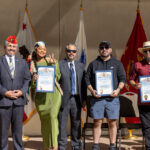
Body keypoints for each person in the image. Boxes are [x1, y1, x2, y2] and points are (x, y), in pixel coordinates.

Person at [85, 41, 126, 150]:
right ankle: (95, 145)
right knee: (97, 122)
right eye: (102, 48)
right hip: (97, 99)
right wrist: (92, 90)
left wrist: (118, 90)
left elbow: (123, 79)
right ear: (99, 50)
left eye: (106, 47)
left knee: (112, 122)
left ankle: (112, 145)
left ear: (110, 49)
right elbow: (87, 79)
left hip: (112, 99)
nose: (104, 49)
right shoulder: (93, 64)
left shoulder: (117, 63)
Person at [0, 35, 31, 150]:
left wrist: (22, 92)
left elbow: (27, 79)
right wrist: (5, 93)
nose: (12, 48)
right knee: (3, 132)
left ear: (17, 49)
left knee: (18, 131)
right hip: (4, 102)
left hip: (18, 102)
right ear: (5, 47)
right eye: (9, 46)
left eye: (14, 46)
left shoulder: (22, 62)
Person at [30, 41, 62, 150]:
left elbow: (57, 77)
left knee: (53, 118)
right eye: (40, 49)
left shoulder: (51, 61)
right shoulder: (32, 64)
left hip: (53, 96)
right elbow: (31, 84)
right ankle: (46, 146)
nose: (43, 51)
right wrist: (34, 80)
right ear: (35, 50)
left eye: (44, 49)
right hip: (41, 97)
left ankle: (54, 147)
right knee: (44, 122)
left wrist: (54, 65)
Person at [58, 43, 86, 150]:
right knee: (62, 124)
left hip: (77, 99)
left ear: (76, 53)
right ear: (66, 52)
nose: (71, 53)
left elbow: (83, 83)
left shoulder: (81, 65)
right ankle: (62, 146)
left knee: (76, 124)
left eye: (73, 51)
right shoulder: (59, 64)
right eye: (69, 51)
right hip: (63, 99)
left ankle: (76, 145)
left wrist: (84, 99)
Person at [129, 41, 150, 150]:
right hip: (144, 102)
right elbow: (131, 80)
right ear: (143, 53)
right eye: (146, 51)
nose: (148, 53)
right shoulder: (137, 65)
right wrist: (136, 85)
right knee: (147, 127)